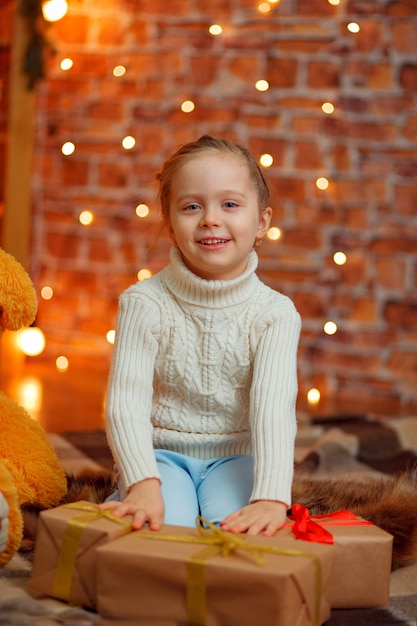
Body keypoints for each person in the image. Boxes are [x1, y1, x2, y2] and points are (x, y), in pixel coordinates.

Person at [100, 135, 301, 537]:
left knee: (236, 533)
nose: (210, 218)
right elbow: (126, 400)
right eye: (192, 206)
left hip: (235, 459)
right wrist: (142, 482)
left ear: (261, 222)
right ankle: (129, 495)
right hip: (162, 456)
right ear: (171, 227)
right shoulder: (144, 302)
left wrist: (271, 497)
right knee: (161, 528)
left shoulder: (275, 314)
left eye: (229, 204)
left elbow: (273, 410)